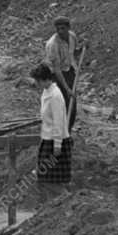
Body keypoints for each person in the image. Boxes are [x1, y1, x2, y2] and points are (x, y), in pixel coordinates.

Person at [31, 63, 71, 199]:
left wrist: (58, 144)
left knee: (47, 178)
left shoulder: (55, 95)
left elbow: (59, 121)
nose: (36, 83)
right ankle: (54, 206)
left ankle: (67, 199)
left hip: (55, 140)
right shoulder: (46, 92)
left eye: (37, 81)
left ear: (43, 79)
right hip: (47, 138)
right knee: (44, 178)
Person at [44, 17, 82, 130]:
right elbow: (57, 69)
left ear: (68, 28)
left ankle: (67, 131)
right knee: (61, 103)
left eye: (63, 28)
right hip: (55, 75)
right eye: (58, 29)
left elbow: (73, 52)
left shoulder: (72, 37)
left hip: (69, 70)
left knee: (72, 104)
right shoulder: (52, 44)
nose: (60, 31)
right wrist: (67, 88)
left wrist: (83, 48)